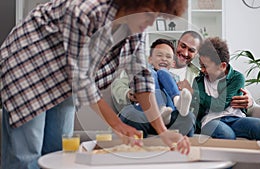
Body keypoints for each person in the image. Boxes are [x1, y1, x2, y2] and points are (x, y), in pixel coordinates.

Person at [0, 0, 191, 168]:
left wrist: (163, 132)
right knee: (27, 155)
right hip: (28, 68)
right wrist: (117, 124)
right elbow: (81, 77)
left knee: (57, 152)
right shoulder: (87, 11)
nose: (150, 22)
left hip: (64, 80)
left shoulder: (135, 30)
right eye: (148, 13)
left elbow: (141, 80)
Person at [193, 37, 260, 169]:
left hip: (235, 118)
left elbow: (219, 105)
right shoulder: (199, 81)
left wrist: (199, 95)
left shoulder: (237, 77)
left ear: (222, 66)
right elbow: (204, 108)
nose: (202, 70)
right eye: (201, 65)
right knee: (227, 135)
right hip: (210, 121)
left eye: (205, 66)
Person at [115, 38, 193, 137]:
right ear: (150, 59)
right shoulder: (138, 73)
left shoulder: (175, 80)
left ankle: (169, 113)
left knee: (188, 117)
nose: (164, 59)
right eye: (159, 55)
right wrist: (129, 93)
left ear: (173, 62)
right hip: (142, 113)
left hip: (168, 115)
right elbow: (118, 86)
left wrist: (184, 94)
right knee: (133, 114)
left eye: (168, 57)